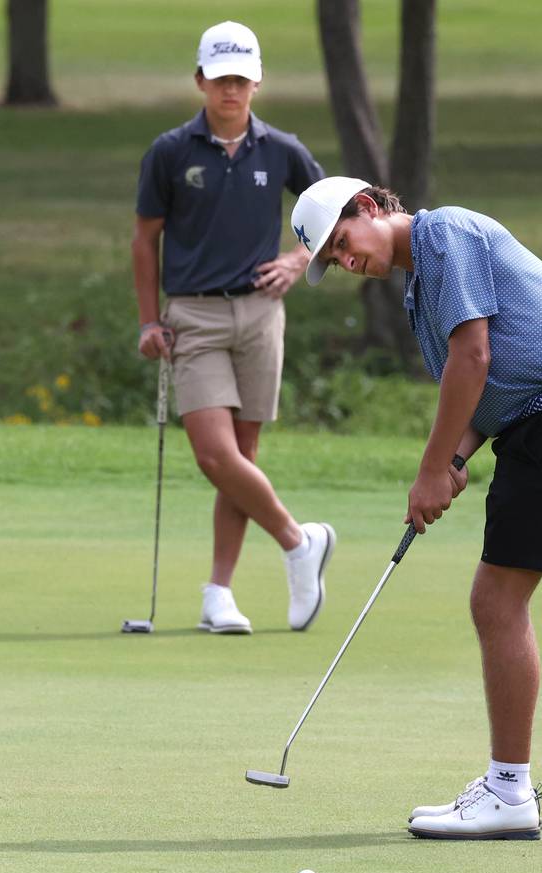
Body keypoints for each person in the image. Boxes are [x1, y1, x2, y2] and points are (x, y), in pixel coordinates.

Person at [290, 176, 542, 840]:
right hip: (539, 422)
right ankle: (507, 786)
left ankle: (509, 791)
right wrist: (452, 460)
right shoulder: (420, 289)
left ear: (366, 208)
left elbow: (472, 358)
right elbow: (481, 390)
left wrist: (429, 467)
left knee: (496, 601)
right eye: (332, 259)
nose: (345, 260)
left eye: (341, 243)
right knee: (495, 600)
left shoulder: (446, 234)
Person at [132, 22, 335, 636]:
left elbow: (335, 212)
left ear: (257, 82)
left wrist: (299, 259)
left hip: (260, 313)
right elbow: (145, 241)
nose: (231, 90)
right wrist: (147, 319)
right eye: (221, 79)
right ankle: (300, 541)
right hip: (191, 315)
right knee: (216, 456)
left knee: (243, 457)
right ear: (200, 80)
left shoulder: (281, 150)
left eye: (242, 79)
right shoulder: (170, 152)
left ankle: (219, 594)